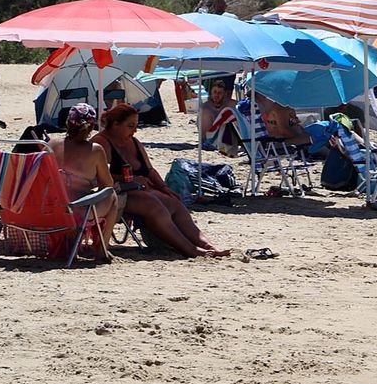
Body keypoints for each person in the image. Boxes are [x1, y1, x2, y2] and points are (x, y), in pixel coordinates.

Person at [94, 102, 229, 257]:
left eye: (136, 126)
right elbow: (100, 177)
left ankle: (207, 245)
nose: (135, 131)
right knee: (154, 205)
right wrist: (130, 180)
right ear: (116, 124)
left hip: (141, 189)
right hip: (117, 193)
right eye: (130, 126)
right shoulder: (102, 143)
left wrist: (165, 188)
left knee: (175, 203)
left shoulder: (134, 142)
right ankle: (190, 250)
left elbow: (150, 170)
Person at [48, 102, 119, 246]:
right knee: (112, 196)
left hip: (50, 208)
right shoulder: (95, 150)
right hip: (77, 210)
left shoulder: (51, 144)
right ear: (92, 127)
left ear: (68, 123)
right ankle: (102, 249)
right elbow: (107, 184)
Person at [197, 77, 242, 157]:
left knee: (230, 115)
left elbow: (242, 107)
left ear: (224, 94)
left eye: (220, 93)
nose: (217, 95)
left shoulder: (229, 103)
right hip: (209, 141)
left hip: (226, 141)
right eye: (215, 92)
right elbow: (205, 134)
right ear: (211, 93)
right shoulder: (205, 108)